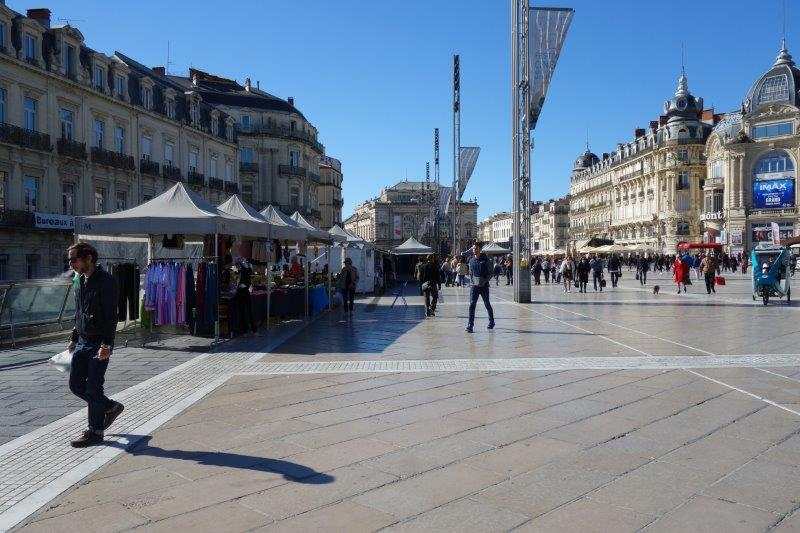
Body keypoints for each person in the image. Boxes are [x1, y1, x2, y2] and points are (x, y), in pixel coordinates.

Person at [66, 243, 123, 448]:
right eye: (70, 259)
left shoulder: (106, 281)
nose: (71, 263)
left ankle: (95, 432)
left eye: (75, 259)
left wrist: (107, 344)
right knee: (76, 385)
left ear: (89, 258)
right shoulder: (79, 280)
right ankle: (110, 406)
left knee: (93, 386)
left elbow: (111, 317)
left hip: (100, 341)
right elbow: (79, 311)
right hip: (82, 340)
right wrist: (74, 337)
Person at [465, 242, 495, 333]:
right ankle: (470, 325)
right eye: (473, 248)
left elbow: (491, 272)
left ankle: (491, 321)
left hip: (484, 286)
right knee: (472, 304)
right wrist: (472, 281)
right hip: (474, 286)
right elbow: (470, 272)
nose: (474, 250)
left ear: (479, 249)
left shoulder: (486, 259)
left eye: (476, 248)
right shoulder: (471, 260)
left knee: (487, 304)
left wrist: (484, 281)